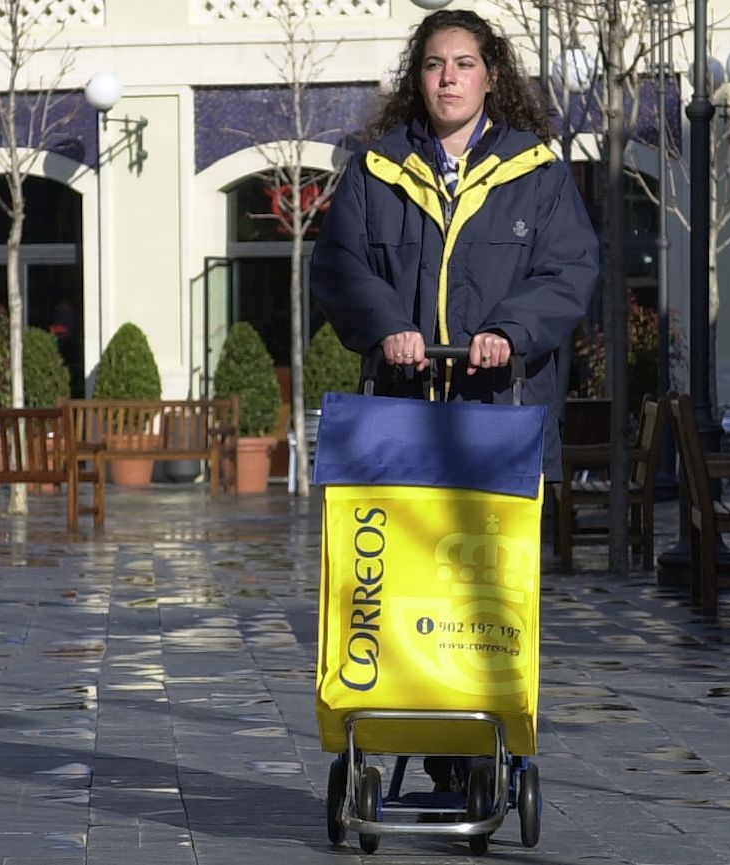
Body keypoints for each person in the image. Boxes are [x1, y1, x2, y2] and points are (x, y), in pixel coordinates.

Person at [309, 9, 599, 793]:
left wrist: (509, 330)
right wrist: (387, 326)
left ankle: (469, 748)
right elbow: (338, 267)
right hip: (400, 420)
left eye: (463, 64)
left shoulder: (535, 174)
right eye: (434, 65)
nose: (447, 79)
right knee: (400, 587)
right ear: (419, 77)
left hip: (494, 422)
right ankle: (409, 723)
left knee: (481, 598)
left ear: (489, 76)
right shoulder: (374, 169)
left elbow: (569, 272)